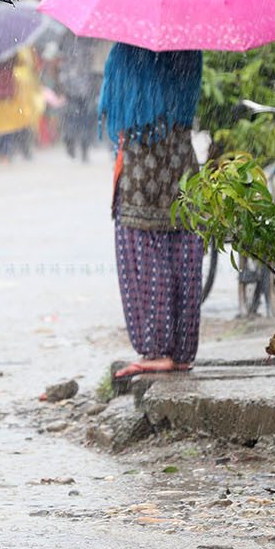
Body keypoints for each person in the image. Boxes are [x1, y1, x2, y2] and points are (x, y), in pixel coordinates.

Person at [101, 43, 204, 383]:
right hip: (181, 166)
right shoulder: (190, 48)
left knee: (146, 255)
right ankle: (181, 350)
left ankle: (156, 350)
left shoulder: (127, 51)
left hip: (141, 170)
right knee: (183, 254)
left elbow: (115, 108)